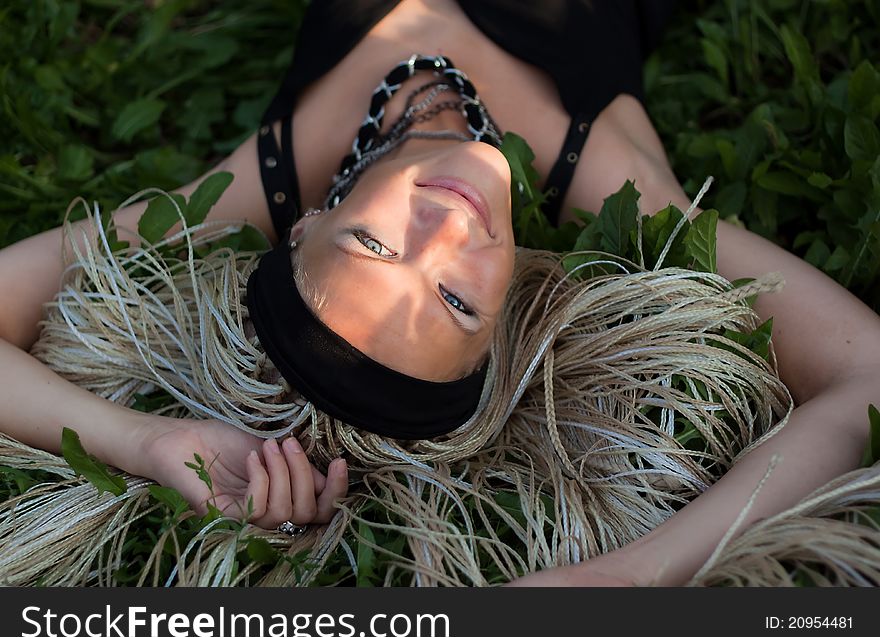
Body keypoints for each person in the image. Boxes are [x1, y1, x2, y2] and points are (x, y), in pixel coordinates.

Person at [1, 0, 878, 587]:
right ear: (508, 314)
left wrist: (146, 439)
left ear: (307, 223)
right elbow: (866, 376)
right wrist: (618, 581)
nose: (449, 234)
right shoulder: (611, 178)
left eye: (374, 244)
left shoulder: (265, 181)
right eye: (459, 303)